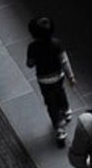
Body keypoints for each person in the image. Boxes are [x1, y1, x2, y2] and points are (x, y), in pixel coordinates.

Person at [26, 16, 76, 146]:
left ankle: (59, 128)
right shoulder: (57, 43)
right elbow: (64, 61)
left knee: (50, 103)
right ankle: (66, 110)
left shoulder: (32, 47)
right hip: (58, 76)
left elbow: (30, 64)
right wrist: (71, 76)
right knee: (60, 92)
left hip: (44, 80)